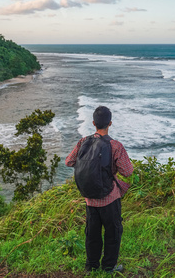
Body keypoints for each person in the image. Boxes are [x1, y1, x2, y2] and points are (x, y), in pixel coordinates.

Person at [65, 106, 133, 273]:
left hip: (90, 199)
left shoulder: (83, 142)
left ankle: (91, 267)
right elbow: (128, 171)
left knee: (92, 234)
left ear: (94, 123)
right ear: (110, 123)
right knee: (113, 232)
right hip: (110, 198)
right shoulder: (115, 145)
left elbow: (69, 162)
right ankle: (109, 267)